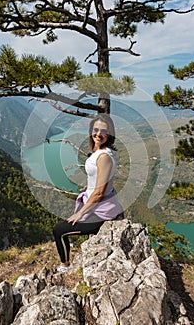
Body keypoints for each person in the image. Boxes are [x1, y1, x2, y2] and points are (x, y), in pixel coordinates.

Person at [53, 114, 124, 272]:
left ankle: (64, 266)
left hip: (102, 212)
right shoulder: (98, 152)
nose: (98, 133)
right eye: (96, 129)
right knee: (63, 228)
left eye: (103, 131)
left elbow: (99, 192)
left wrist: (80, 214)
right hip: (97, 206)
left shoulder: (104, 157)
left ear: (110, 134)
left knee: (59, 231)